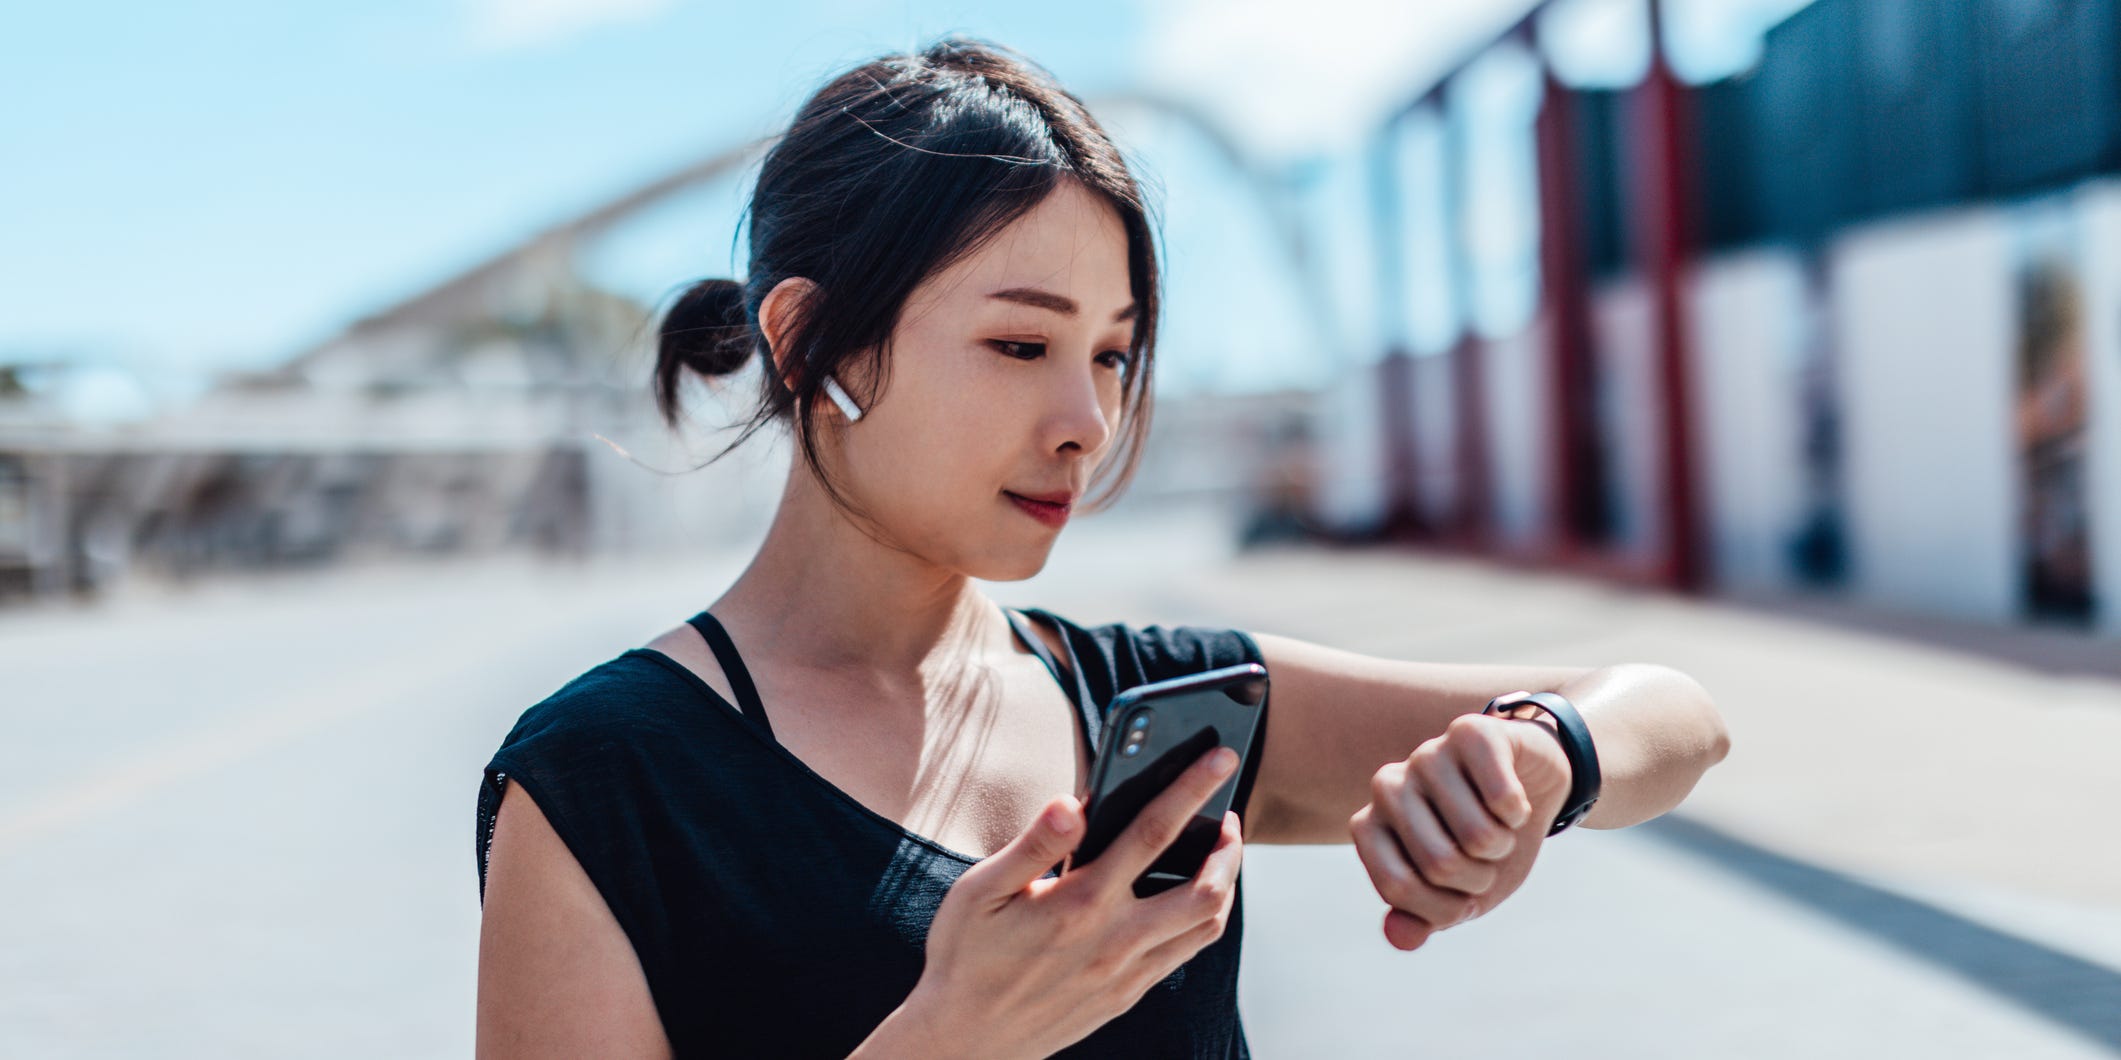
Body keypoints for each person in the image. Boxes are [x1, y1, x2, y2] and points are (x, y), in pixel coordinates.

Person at [473, 36, 1731, 1059]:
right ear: (807, 345)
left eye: (1114, 355)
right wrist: (952, 1040)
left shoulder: (1157, 711)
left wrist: (1537, 758)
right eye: (1023, 345)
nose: (1087, 422)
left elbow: (1674, 719)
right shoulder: (605, 783)